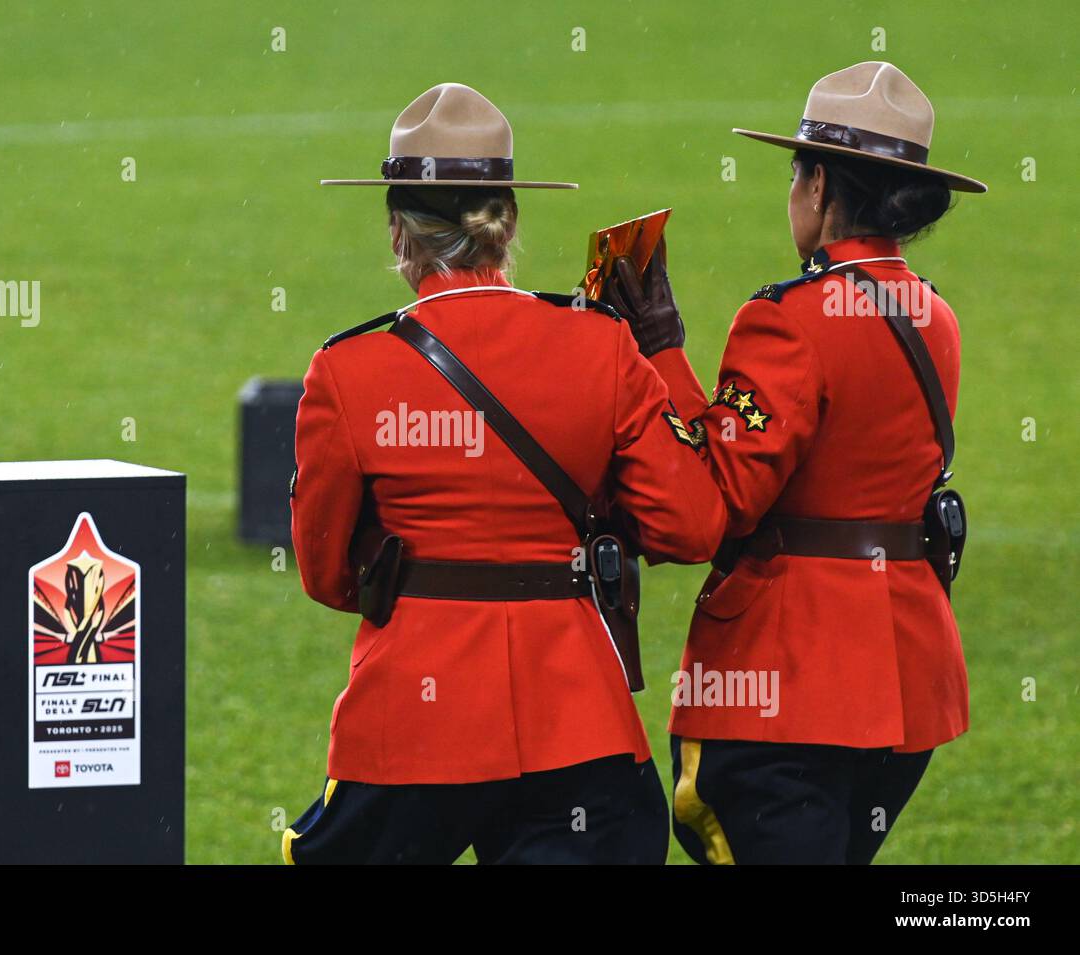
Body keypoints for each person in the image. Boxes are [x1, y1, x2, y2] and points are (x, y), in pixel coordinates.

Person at [284, 82, 727, 864]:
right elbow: (691, 526)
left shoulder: (347, 370)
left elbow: (326, 574)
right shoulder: (602, 345)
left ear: (397, 231)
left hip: (412, 730)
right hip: (580, 726)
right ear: (509, 220)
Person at [600, 61, 986, 864]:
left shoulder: (789, 320)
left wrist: (660, 351)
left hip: (788, 689)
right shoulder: (935, 315)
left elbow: (719, 503)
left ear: (816, 188)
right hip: (907, 686)